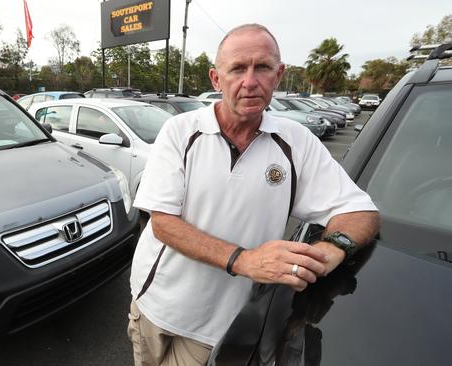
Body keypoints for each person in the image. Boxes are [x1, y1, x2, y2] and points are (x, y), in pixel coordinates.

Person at [127, 23, 379, 366]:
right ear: (216, 79)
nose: (250, 81)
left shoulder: (296, 142)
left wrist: (329, 251)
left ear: (279, 74)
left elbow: (362, 212)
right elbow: (163, 224)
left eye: (262, 67)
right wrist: (245, 260)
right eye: (237, 69)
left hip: (215, 325)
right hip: (153, 303)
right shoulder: (181, 132)